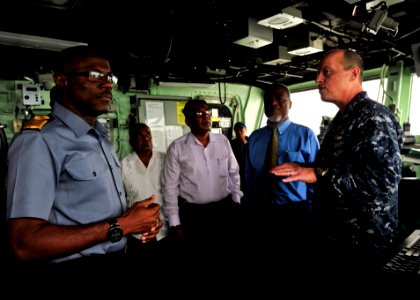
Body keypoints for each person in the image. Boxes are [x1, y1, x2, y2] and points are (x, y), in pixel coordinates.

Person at [6, 46, 162, 281]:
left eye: (109, 77)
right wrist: (121, 225)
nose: (108, 84)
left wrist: (137, 219)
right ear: (62, 81)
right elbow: (25, 243)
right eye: (94, 75)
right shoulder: (39, 141)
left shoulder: (101, 140)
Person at [272, 49, 403, 283]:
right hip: (337, 241)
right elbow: (340, 167)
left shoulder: (373, 118)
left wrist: (318, 173)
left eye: (326, 72)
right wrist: (305, 167)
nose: (318, 79)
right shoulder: (344, 118)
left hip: (362, 246)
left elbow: (381, 184)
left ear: (354, 74)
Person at [243, 83, 319, 268]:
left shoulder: (306, 135)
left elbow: (317, 179)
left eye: (280, 99)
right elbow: (248, 176)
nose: (274, 103)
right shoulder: (255, 137)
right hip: (260, 212)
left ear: (290, 104)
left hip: (294, 213)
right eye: (269, 100)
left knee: (293, 262)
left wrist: (312, 215)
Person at [161, 99, 243, 270]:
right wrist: (175, 223)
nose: (206, 116)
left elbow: (233, 173)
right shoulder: (177, 148)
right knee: (197, 260)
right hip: (194, 215)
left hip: (224, 210)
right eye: (199, 113)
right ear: (188, 121)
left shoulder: (223, 141)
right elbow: (169, 188)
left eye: (207, 112)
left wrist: (236, 201)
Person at [120, 122, 169, 259]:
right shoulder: (124, 165)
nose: (146, 138)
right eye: (140, 136)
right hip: (137, 234)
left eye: (148, 134)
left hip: (165, 230)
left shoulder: (165, 160)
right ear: (131, 141)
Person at [230, 121, 249, 190]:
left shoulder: (252, 142)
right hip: (236, 171)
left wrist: (245, 143)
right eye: (236, 130)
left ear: (246, 130)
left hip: (247, 171)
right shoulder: (231, 143)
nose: (239, 131)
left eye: (241, 129)